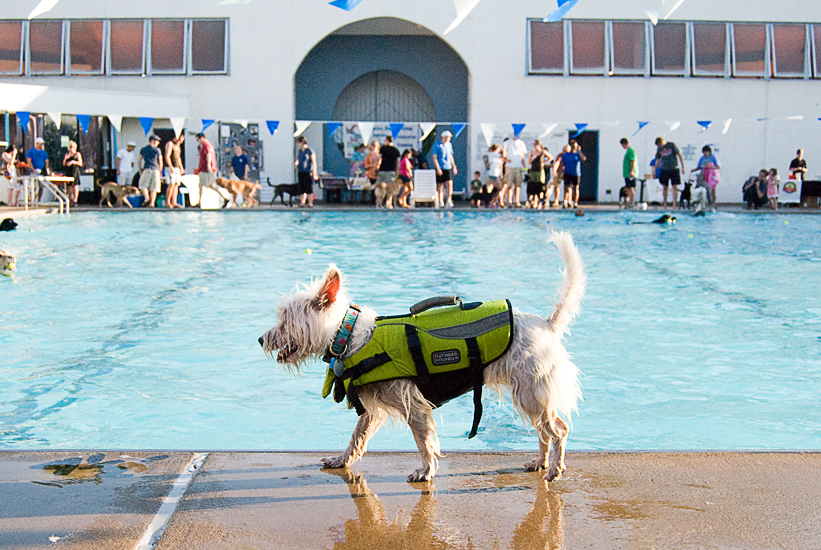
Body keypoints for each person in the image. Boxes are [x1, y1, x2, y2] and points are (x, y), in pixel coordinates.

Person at [654, 137, 685, 208]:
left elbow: (679, 155)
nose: (659, 147)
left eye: (659, 145)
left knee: (675, 186)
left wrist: (683, 166)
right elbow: (658, 160)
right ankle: (665, 203)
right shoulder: (659, 149)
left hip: (674, 168)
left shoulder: (671, 145)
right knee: (665, 186)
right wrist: (655, 170)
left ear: (662, 142)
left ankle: (674, 203)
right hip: (665, 169)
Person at [690, 145, 721, 211]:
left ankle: (713, 203)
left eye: (706, 152)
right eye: (704, 152)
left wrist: (711, 167)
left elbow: (718, 166)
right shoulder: (702, 158)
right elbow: (699, 167)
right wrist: (694, 170)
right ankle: (704, 203)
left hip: (712, 175)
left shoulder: (713, 157)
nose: (705, 153)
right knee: (705, 188)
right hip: (704, 175)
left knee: (713, 189)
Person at [195, 132, 221, 206]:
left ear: (202, 138)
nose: (197, 142)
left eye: (198, 139)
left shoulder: (206, 145)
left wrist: (208, 165)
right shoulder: (208, 145)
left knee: (201, 186)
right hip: (206, 169)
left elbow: (208, 155)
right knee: (212, 186)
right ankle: (224, 198)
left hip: (206, 170)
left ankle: (199, 202)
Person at [432, 130, 457, 208]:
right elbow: (435, 157)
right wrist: (438, 168)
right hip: (440, 167)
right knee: (440, 185)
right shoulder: (437, 145)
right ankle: (440, 200)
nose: (448, 139)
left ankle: (449, 199)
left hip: (448, 167)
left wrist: (454, 166)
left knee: (449, 183)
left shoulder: (449, 145)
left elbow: (450, 156)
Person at [502, 133, 528, 208]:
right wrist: (506, 159)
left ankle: (516, 201)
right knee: (509, 184)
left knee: (518, 185)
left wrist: (524, 167)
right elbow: (503, 152)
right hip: (510, 166)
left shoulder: (521, 143)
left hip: (518, 166)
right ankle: (509, 201)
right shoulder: (507, 142)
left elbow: (522, 155)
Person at [559, 140, 586, 208]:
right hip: (567, 173)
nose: (574, 147)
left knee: (576, 188)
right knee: (567, 188)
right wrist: (560, 173)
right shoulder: (566, 155)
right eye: (573, 146)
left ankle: (575, 202)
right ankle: (565, 201)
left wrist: (579, 151)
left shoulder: (577, 154)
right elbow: (562, 164)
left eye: (575, 146)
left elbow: (583, 158)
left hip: (576, 174)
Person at [138, 135, 163, 208]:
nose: (158, 143)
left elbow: (139, 160)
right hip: (156, 169)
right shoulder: (157, 150)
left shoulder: (143, 149)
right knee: (154, 187)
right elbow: (160, 161)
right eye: (157, 141)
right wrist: (160, 170)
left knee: (142, 185)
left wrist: (140, 170)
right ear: (152, 140)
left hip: (147, 168)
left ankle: (147, 198)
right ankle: (152, 203)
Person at [527, 139, 552, 209]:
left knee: (540, 186)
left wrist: (544, 162)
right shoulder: (532, 152)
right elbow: (529, 162)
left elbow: (551, 157)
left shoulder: (543, 152)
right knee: (533, 186)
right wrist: (531, 159)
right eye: (534, 145)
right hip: (533, 170)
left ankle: (540, 201)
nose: (535, 146)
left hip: (540, 170)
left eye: (536, 145)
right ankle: (534, 202)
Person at [377, 135, 401, 207]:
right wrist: (397, 171)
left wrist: (377, 167)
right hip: (391, 171)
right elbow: (398, 162)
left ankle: (379, 202)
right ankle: (388, 202)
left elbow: (379, 159)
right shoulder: (396, 150)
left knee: (380, 187)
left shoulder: (383, 149)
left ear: (387, 140)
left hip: (382, 170)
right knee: (390, 188)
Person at [294, 136, 317, 208]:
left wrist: (314, 172)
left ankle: (310, 203)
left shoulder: (309, 150)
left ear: (302, 142)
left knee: (308, 187)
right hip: (301, 171)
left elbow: (314, 161)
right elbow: (298, 159)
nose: (298, 145)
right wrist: (296, 163)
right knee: (301, 188)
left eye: (298, 143)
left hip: (308, 171)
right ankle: (302, 202)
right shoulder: (300, 151)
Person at [165, 135, 185, 208]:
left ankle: (174, 202)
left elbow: (178, 158)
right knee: (171, 184)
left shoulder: (178, 146)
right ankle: (167, 202)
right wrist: (170, 166)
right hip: (171, 167)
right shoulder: (170, 144)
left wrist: (181, 167)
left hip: (177, 168)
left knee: (176, 185)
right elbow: (167, 156)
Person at [26, 137, 49, 201]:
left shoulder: (44, 152)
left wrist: (45, 169)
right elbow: (29, 161)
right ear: (36, 143)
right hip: (34, 171)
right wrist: (33, 169)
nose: (41, 145)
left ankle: (39, 200)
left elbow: (46, 161)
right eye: (40, 144)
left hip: (41, 171)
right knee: (33, 186)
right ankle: (31, 199)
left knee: (41, 186)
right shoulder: (31, 151)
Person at [62, 140, 83, 207]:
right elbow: (64, 164)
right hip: (69, 171)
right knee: (69, 186)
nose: (71, 149)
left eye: (73, 147)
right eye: (70, 147)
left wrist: (73, 162)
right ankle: (69, 198)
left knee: (75, 185)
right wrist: (65, 159)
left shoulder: (77, 154)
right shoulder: (67, 155)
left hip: (75, 171)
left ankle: (75, 200)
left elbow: (80, 163)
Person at [620, 138, 639, 208]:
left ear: (624, 144)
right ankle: (629, 201)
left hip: (630, 173)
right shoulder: (628, 151)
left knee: (631, 188)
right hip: (626, 173)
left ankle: (632, 202)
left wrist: (632, 171)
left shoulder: (631, 151)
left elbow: (632, 161)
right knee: (628, 188)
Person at [484, 143, 504, 208]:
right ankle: (491, 202)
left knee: (494, 189)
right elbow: (502, 159)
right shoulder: (495, 155)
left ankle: (492, 202)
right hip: (494, 174)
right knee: (498, 188)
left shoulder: (492, 155)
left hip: (492, 174)